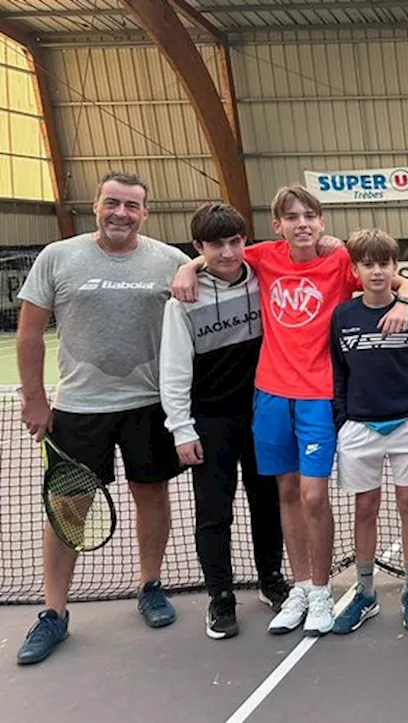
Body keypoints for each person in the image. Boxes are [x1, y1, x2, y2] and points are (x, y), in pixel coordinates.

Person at [172, 185, 408, 637]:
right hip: (269, 395)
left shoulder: (342, 262)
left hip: (318, 396)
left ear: (322, 223)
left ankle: (323, 591)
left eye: (310, 216)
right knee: (285, 493)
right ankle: (301, 588)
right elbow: (219, 255)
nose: (302, 223)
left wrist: (404, 301)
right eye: (292, 217)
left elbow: (403, 281)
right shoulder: (263, 257)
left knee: (313, 495)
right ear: (277, 226)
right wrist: (188, 266)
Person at [16, 172, 189, 664]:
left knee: (151, 494)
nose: (121, 213)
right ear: (96, 205)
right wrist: (34, 400)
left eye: (132, 206)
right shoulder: (59, 257)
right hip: (79, 408)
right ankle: (54, 612)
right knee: (67, 509)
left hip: (149, 405)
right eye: (112, 203)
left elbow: (208, 284)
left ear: (145, 213)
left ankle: (150, 586)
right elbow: (29, 334)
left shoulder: (170, 261)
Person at [159, 203, 289, 641]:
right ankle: (221, 596)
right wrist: (181, 427)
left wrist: (189, 265)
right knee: (214, 513)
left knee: (266, 502)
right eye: (216, 245)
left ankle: (271, 580)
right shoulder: (182, 302)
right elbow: (174, 369)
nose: (229, 252)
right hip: (209, 421)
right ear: (199, 247)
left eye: (235, 241)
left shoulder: (264, 278)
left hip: (262, 413)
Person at [328, 228, 408, 635]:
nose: (376, 271)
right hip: (360, 427)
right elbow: (338, 373)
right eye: (367, 264)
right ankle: (365, 592)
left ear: (396, 268)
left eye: (384, 264)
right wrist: (343, 418)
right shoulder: (343, 316)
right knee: (364, 508)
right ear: (355, 270)